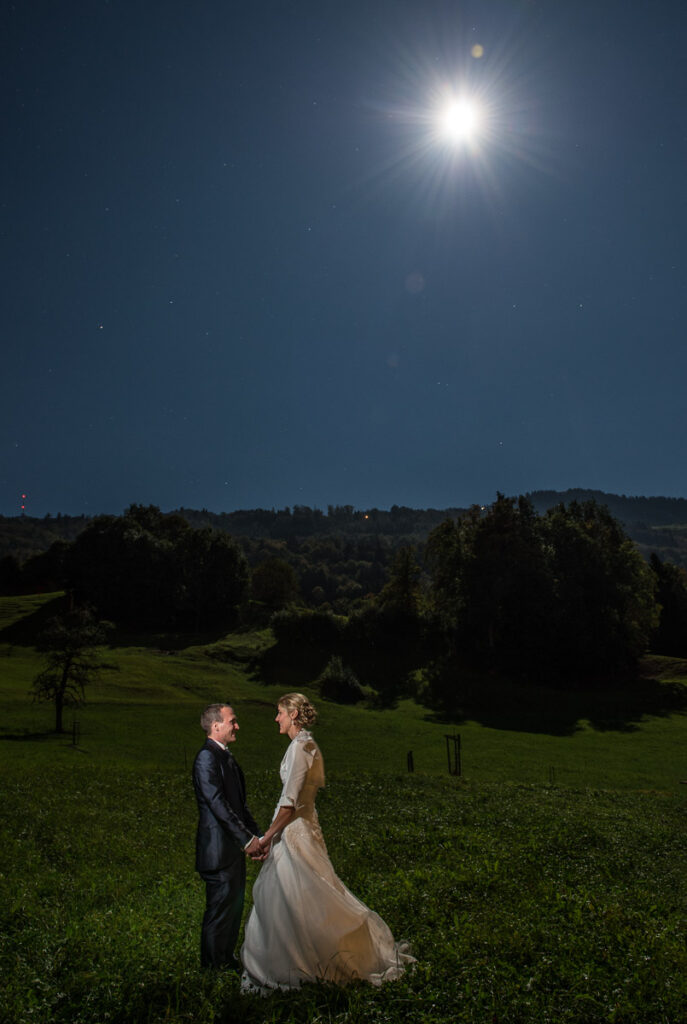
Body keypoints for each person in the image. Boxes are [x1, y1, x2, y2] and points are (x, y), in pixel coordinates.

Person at [241, 693, 414, 992]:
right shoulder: (303, 745)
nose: (276, 718)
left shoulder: (300, 748)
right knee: (294, 895)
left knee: (302, 895)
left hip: (295, 832)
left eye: (280, 712)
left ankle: (305, 961)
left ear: (293, 714)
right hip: (299, 829)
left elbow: (290, 802)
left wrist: (267, 837)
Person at [192, 702, 265, 970]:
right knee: (219, 910)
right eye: (232, 721)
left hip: (232, 849)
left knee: (233, 908)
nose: (237, 726)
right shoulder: (206, 758)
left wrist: (258, 836)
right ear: (216, 726)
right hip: (217, 850)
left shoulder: (226, 757)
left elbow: (239, 806)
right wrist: (247, 841)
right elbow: (217, 804)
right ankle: (212, 968)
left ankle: (226, 958)